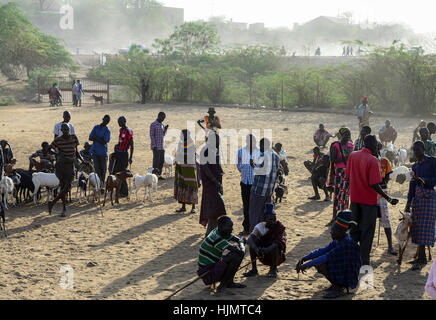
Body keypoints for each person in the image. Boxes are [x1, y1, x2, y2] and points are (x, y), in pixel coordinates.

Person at [346, 135, 399, 266]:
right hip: (368, 203)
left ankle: (351, 258)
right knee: (367, 233)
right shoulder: (373, 160)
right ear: (372, 145)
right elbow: (374, 184)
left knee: (354, 230)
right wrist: (388, 198)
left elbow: (348, 175)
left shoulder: (353, 155)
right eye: (376, 145)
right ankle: (364, 261)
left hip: (355, 200)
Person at [295, 211, 361, 299]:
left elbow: (326, 256)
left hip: (349, 276)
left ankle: (338, 288)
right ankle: (336, 285)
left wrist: (306, 265)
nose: (331, 233)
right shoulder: (340, 239)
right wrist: (304, 258)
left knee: (321, 263)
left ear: (341, 231)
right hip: (344, 270)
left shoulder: (345, 244)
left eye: (333, 231)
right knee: (320, 262)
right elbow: (322, 250)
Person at [405, 141, 436, 271]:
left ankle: (422, 259)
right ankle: (420, 258)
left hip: (429, 198)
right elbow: (412, 186)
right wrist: (408, 203)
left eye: (418, 150)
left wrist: (425, 181)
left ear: (423, 149)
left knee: (424, 228)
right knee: (417, 228)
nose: (416, 153)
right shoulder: (415, 166)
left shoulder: (432, 161)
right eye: (414, 150)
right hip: (418, 199)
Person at [197, 216, 246, 295]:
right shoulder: (215, 237)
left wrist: (241, 244)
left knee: (235, 255)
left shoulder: (221, 231)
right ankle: (222, 287)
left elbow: (239, 240)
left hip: (212, 267)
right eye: (229, 227)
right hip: (207, 272)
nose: (232, 229)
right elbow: (241, 250)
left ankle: (229, 282)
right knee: (235, 256)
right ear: (221, 226)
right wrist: (242, 244)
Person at [48, 124, 85, 217]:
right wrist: (57, 153)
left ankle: (52, 202)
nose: (66, 131)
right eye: (64, 129)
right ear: (61, 130)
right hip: (61, 166)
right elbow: (48, 149)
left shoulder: (74, 138)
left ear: (69, 130)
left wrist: (83, 160)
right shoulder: (58, 140)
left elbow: (76, 151)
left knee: (67, 186)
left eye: (67, 129)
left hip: (70, 164)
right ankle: (64, 209)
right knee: (63, 186)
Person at [244, 203, 287, 278]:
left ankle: (273, 269)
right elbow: (250, 239)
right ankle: (254, 269)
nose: (272, 221)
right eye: (270, 219)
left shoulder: (279, 227)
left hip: (275, 254)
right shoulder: (260, 226)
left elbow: (278, 242)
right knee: (252, 244)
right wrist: (257, 249)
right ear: (265, 219)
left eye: (274, 218)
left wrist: (267, 249)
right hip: (262, 252)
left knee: (276, 247)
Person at [249, 138, 280, 233]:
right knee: (265, 214)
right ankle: (263, 234)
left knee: (254, 213)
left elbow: (258, 171)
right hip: (269, 191)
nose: (260, 148)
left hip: (259, 190)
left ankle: (253, 234)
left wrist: (252, 165)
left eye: (261, 145)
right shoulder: (276, 156)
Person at [199, 132, 226, 236]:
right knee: (214, 209)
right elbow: (205, 167)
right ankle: (209, 233)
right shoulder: (205, 150)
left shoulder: (214, 150)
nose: (219, 142)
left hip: (216, 183)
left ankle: (212, 233)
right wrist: (215, 181)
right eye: (217, 140)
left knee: (216, 209)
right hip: (211, 184)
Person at [327, 127, 354, 226]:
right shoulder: (335, 145)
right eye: (346, 134)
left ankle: (343, 218)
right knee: (337, 196)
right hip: (339, 173)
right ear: (341, 135)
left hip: (348, 173)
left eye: (349, 134)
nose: (348, 136)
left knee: (346, 196)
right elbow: (332, 159)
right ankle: (334, 218)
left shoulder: (351, 145)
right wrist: (345, 158)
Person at [237, 134, 261, 235]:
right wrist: (243, 171)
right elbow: (238, 165)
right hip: (245, 182)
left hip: (255, 183)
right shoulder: (241, 151)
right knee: (246, 206)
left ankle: (255, 229)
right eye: (249, 141)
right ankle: (246, 228)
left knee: (255, 206)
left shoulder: (260, 152)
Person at [174, 129, 200, 214]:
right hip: (182, 167)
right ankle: (183, 206)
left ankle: (193, 207)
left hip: (190, 168)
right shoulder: (180, 143)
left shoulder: (191, 143)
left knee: (192, 186)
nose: (181, 136)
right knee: (182, 187)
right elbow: (178, 153)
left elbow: (190, 155)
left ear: (187, 135)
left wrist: (180, 157)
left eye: (183, 135)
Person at [377, 152, 398, 255]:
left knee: (385, 218)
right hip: (370, 192)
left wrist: (382, 181)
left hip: (383, 190)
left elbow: (388, 175)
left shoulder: (384, 161)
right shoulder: (369, 160)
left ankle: (390, 246)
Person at [111, 116, 134, 198]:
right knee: (116, 172)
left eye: (120, 122)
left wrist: (131, 157)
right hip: (119, 153)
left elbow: (132, 145)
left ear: (124, 121)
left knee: (122, 173)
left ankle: (125, 192)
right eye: (118, 122)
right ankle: (119, 190)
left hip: (124, 154)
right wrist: (117, 146)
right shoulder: (121, 130)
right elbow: (120, 141)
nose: (119, 123)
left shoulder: (128, 131)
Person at [89, 115, 111, 194]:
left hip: (103, 153)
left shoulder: (107, 130)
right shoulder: (96, 127)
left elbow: (104, 141)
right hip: (95, 152)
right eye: (105, 120)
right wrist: (99, 139)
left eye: (107, 121)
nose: (106, 122)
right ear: (103, 119)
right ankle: (98, 186)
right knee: (97, 170)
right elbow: (90, 138)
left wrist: (95, 138)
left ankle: (101, 186)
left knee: (103, 170)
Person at [150, 112, 168, 180]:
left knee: (161, 161)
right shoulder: (153, 124)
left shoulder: (162, 124)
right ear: (159, 116)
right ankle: (154, 176)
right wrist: (154, 146)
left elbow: (162, 135)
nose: (163, 119)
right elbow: (152, 135)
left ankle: (159, 175)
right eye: (162, 117)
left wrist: (165, 130)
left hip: (162, 146)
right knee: (156, 161)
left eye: (164, 118)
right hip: (156, 146)